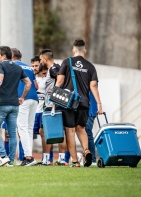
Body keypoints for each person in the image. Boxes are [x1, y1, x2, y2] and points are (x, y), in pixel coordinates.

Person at [55, 39, 103, 168]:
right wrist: (99, 104)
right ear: (85, 51)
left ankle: (75, 162)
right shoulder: (90, 66)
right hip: (84, 102)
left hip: (69, 102)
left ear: (73, 50)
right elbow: (93, 86)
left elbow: (59, 82)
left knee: (70, 131)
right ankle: (86, 150)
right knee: (81, 129)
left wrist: (52, 99)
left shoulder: (67, 62)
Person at [0, 46, 31, 167]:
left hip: (2, 103)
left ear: (3, 56)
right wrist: (22, 97)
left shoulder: (0, 65)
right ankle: (11, 161)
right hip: (14, 105)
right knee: (12, 133)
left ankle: (3, 156)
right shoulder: (18, 67)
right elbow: (28, 83)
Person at [39, 48, 69, 166]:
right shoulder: (56, 67)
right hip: (52, 104)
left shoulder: (54, 68)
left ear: (45, 59)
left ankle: (49, 160)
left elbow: (61, 79)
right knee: (46, 131)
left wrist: (56, 90)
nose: (40, 61)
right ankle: (57, 159)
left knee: (49, 131)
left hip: (52, 105)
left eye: (41, 59)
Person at [11, 48, 38, 166]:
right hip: (34, 99)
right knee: (29, 129)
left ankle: (28, 157)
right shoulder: (29, 67)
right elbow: (36, 85)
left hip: (23, 98)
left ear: (11, 56)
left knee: (22, 128)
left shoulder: (13, 66)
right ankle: (29, 156)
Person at [85, 91, 98, 165]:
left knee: (87, 131)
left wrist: (99, 105)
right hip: (83, 109)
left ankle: (92, 159)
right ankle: (88, 158)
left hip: (90, 110)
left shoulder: (92, 80)